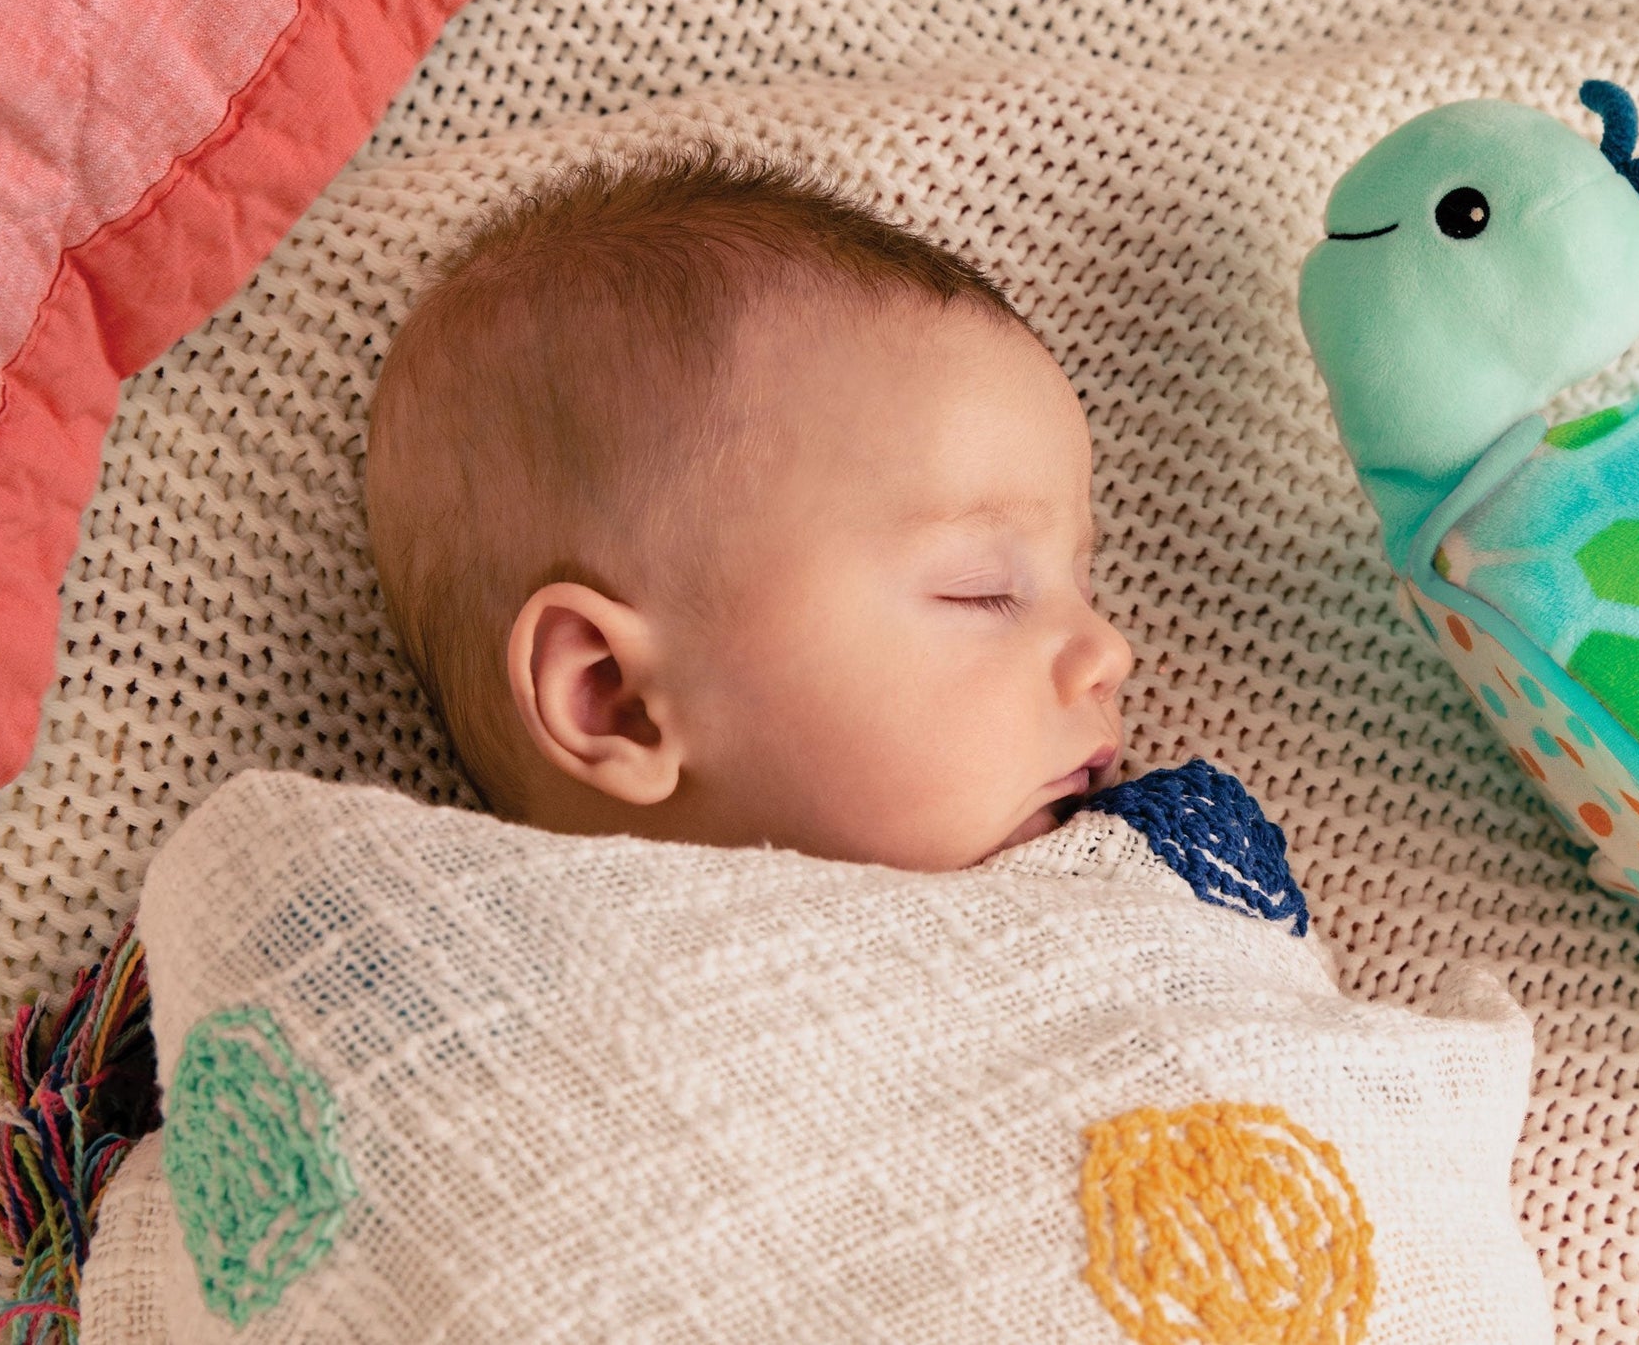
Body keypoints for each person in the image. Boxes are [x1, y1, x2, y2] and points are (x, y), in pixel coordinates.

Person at [364, 147, 1134, 872]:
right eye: (981, 589)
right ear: (615, 700)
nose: (1109, 652)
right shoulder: (432, 968)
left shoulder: (1146, 869)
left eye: (1081, 584)